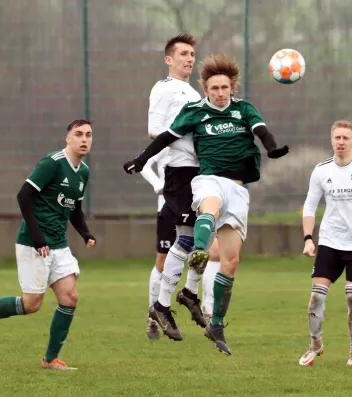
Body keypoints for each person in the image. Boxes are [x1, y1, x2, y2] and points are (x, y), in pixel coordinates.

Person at [123, 53, 289, 355]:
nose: (220, 93)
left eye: (225, 88)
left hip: (239, 189)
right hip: (209, 179)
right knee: (208, 210)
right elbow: (165, 137)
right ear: (206, 88)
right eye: (214, 88)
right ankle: (198, 253)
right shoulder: (196, 110)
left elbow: (260, 131)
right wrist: (141, 159)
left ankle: (217, 324)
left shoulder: (243, 110)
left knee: (231, 262)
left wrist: (273, 148)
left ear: (232, 88)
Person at [0, 119, 96, 371]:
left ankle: (50, 360)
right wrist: (38, 236)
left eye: (88, 135)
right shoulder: (52, 164)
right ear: (68, 139)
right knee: (32, 305)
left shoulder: (82, 171)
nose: (84, 139)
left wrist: (85, 233)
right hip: (34, 243)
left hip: (59, 244)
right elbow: (23, 195)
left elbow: (75, 209)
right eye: (78, 134)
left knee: (70, 297)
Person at [137, 33, 218, 342]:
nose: (189, 58)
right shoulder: (165, 88)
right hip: (180, 172)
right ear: (169, 59)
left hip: (198, 173)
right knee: (185, 240)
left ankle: (184, 296)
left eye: (192, 54)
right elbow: (154, 129)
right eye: (183, 53)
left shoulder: (192, 93)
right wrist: (191, 146)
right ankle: (162, 304)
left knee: (202, 239)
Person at [298, 120, 352, 367]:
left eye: (345, 138)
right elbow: (310, 206)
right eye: (337, 137)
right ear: (331, 140)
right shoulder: (321, 170)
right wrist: (308, 238)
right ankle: (315, 345)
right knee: (316, 297)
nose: (341, 142)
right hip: (330, 241)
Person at [140, 148, 221, 338]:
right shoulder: (172, 137)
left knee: (203, 250)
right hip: (170, 206)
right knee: (162, 261)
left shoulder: (200, 134)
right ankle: (153, 316)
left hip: (197, 202)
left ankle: (198, 301)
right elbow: (146, 161)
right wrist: (157, 185)